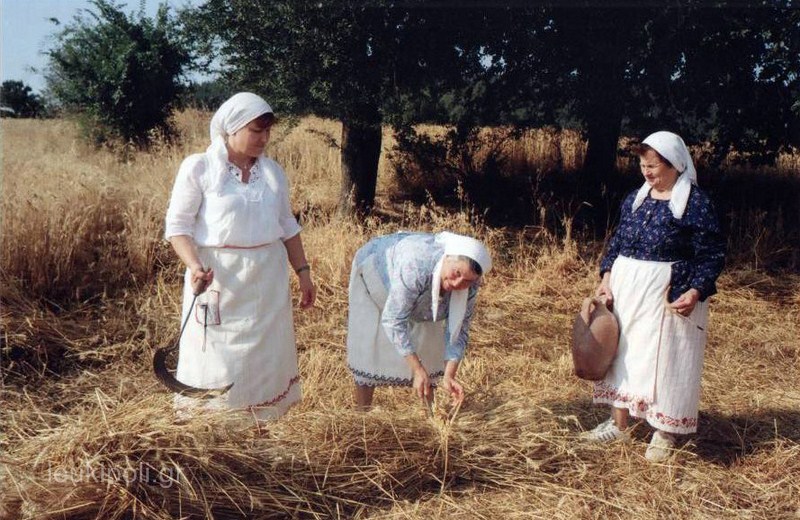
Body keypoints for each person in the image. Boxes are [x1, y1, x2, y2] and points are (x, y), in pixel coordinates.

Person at [164, 92, 316, 421]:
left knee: (264, 357)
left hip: (266, 281)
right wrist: (193, 264)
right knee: (216, 355)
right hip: (218, 279)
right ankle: (214, 426)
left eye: (267, 132)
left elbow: (287, 225)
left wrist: (303, 271)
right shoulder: (200, 168)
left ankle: (260, 426)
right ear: (231, 129)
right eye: (255, 131)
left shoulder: (273, 173)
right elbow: (178, 226)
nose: (263, 139)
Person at [581, 131, 725, 462]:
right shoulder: (636, 198)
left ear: (675, 164)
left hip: (668, 294)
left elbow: (712, 253)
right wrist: (606, 278)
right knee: (622, 353)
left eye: (654, 165)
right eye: (643, 165)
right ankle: (619, 425)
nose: (647, 172)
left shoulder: (695, 203)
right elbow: (617, 242)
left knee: (666, 359)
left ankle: (665, 431)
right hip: (627, 289)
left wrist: (695, 290)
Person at [346, 231, 492, 410]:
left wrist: (449, 376)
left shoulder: (470, 285)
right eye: (456, 273)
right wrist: (417, 369)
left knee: (429, 345)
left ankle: (431, 416)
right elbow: (393, 319)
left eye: (467, 281)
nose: (457, 283)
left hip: (421, 297)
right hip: (376, 276)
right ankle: (362, 414)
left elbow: (459, 330)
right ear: (447, 258)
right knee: (371, 345)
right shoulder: (416, 264)